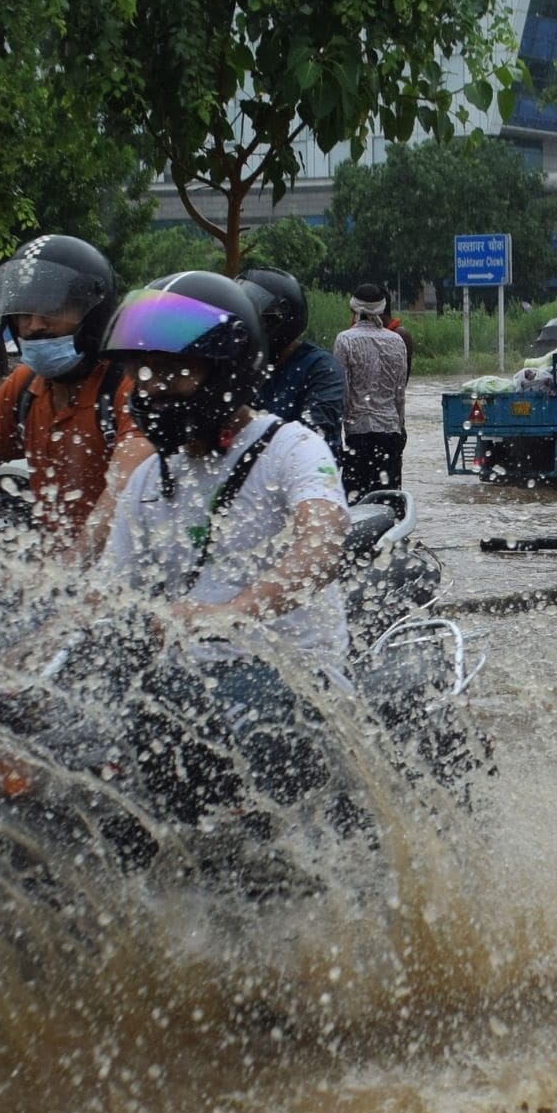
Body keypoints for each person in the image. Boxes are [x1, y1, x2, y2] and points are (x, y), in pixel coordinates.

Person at [96, 270, 352, 805]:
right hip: (186, 682)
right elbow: (106, 593)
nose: (155, 389)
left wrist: (235, 610)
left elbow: (322, 547)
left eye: (176, 372)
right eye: (144, 372)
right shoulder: (147, 480)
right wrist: (38, 650)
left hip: (295, 679)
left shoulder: (293, 448)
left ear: (226, 370)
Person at [0, 236, 151, 557]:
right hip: (62, 574)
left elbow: (120, 503)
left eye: (51, 309)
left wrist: (60, 579)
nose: (35, 325)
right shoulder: (23, 386)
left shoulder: (129, 385)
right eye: (24, 313)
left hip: (128, 574)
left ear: (92, 313)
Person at [236, 266, 346, 464]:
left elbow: (316, 443)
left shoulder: (320, 368)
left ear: (277, 319)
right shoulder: (237, 364)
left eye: (252, 317)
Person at [333, 282, 409, 498]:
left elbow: (343, 393)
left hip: (358, 434)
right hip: (390, 432)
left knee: (356, 503)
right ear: (382, 309)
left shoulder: (344, 340)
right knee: (390, 502)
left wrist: (341, 432)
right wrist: (400, 426)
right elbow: (399, 393)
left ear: (354, 310)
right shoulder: (397, 341)